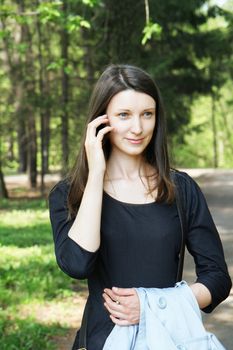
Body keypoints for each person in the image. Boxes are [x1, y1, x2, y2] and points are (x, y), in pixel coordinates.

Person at [49, 64, 232, 350]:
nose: (138, 128)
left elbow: (218, 280)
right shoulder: (68, 194)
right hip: (99, 342)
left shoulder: (181, 189)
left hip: (169, 342)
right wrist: (96, 173)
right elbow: (76, 263)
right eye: (124, 115)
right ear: (101, 120)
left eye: (147, 114)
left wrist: (152, 306)